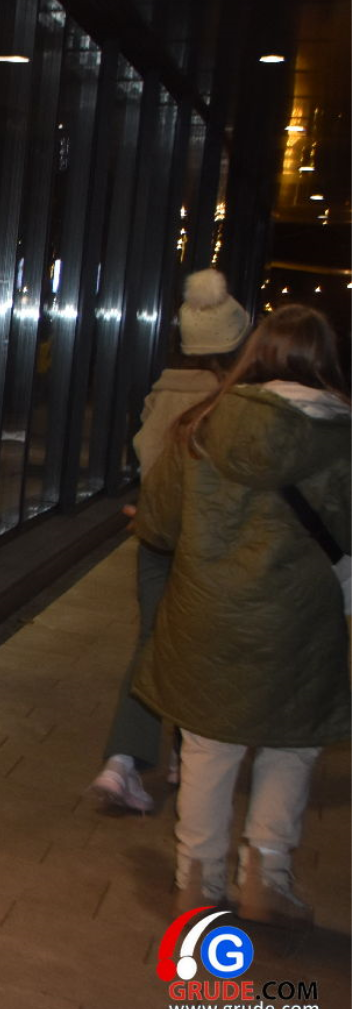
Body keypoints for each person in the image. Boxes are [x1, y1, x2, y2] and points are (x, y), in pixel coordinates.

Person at [135, 304, 352, 925]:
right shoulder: (342, 438)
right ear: (325, 359)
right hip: (301, 622)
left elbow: (158, 526)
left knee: (208, 747)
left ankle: (197, 881)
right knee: (292, 743)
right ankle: (267, 876)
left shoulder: (201, 426)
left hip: (208, 614)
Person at [89, 268, 249, 813]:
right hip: (207, 545)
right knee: (203, 647)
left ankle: (123, 761)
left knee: (153, 642)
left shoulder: (161, 392)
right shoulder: (233, 405)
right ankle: (184, 756)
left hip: (155, 538)